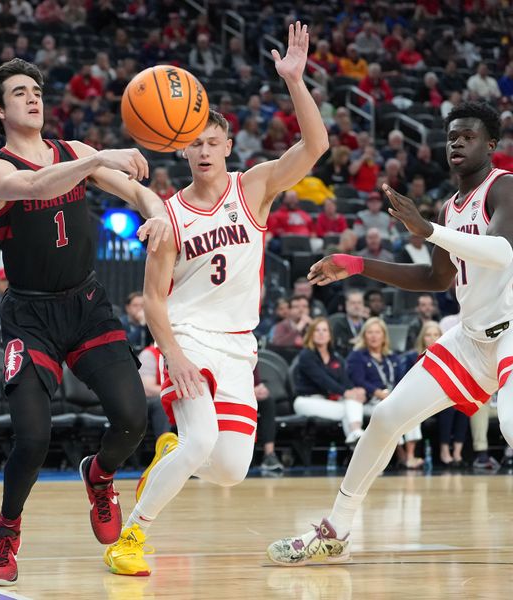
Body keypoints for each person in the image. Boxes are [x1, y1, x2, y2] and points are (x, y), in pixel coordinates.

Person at [104, 23, 328, 577]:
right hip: (187, 338)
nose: (202, 150)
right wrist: (173, 356)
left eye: (212, 142)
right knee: (200, 438)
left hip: (237, 346)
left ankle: (169, 458)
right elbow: (152, 300)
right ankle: (129, 537)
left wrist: (295, 81)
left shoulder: (253, 187)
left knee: (229, 469)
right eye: (193, 142)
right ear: (179, 147)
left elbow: (317, 146)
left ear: (228, 146)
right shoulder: (167, 215)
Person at [268, 102, 513, 565]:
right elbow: (435, 280)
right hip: (471, 337)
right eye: (452, 136)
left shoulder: (505, 188)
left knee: (512, 424)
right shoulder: (449, 207)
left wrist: (428, 230)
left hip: (512, 332)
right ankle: (336, 529)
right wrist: (357, 264)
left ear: (491, 146)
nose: (457, 142)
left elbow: (501, 253)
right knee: (384, 419)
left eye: (469, 136)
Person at [0, 57, 171, 586]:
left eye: (36, 90)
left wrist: (154, 211)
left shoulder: (75, 154)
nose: (33, 97)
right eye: (20, 93)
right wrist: (100, 156)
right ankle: (7, 531)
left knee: (133, 417)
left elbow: (136, 191)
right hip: (30, 315)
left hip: (86, 306)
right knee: (33, 437)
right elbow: (38, 187)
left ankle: (99, 474)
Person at [347, 317, 422, 469]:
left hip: (392, 397)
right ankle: (401, 455)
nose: (374, 336)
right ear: (364, 335)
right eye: (370, 332)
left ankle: (409, 455)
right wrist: (379, 393)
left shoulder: (392, 356)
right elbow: (358, 380)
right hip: (371, 401)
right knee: (391, 412)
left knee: (412, 410)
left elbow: (401, 380)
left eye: (377, 332)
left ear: (384, 336)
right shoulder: (357, 356)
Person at [292, 317, 368, 444]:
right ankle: (356, 437)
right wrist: (347, 393)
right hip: (306, 401)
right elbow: (322, 379)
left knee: (352, 404)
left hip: (327, 401)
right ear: (311, 334)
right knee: (349, 410)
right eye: (317, 330)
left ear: (330, 335)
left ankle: (355, 437)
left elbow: (345, 380)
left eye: (325, 330)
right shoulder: (306, 355)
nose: (321, 333)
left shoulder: (335, 357)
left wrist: (355, 392)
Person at [329, 289, 368, 357]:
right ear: (346, 305)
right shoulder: (339, 325)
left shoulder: (368, 323)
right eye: (353, 303)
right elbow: (339, 348)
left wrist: (352, 341)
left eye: (359, 303)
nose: (356, 306)